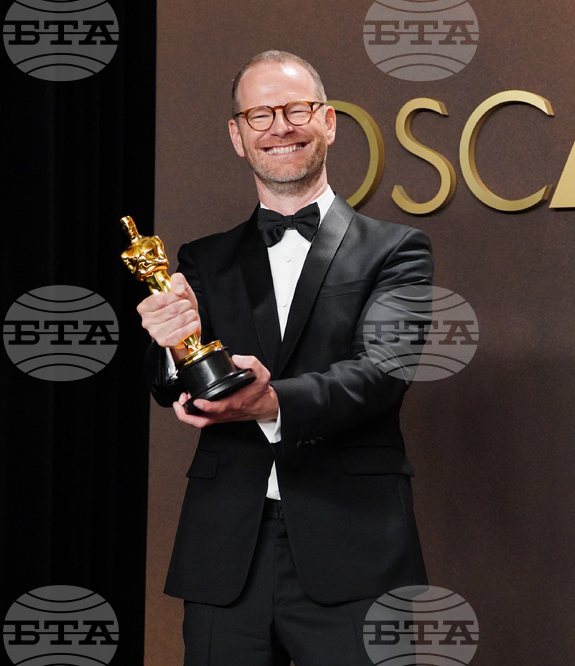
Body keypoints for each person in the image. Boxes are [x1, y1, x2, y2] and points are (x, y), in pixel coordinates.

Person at [136, 50, 432, 666]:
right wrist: (172, 347)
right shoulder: (201, 259)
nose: (280, 126)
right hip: (226, 554)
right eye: (260, 114)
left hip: (354, 549)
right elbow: (170, 384)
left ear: (327, 122)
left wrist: (273, 402)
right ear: (238, 136)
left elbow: (384, 371)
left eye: (296, 110)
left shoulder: (397, 250)